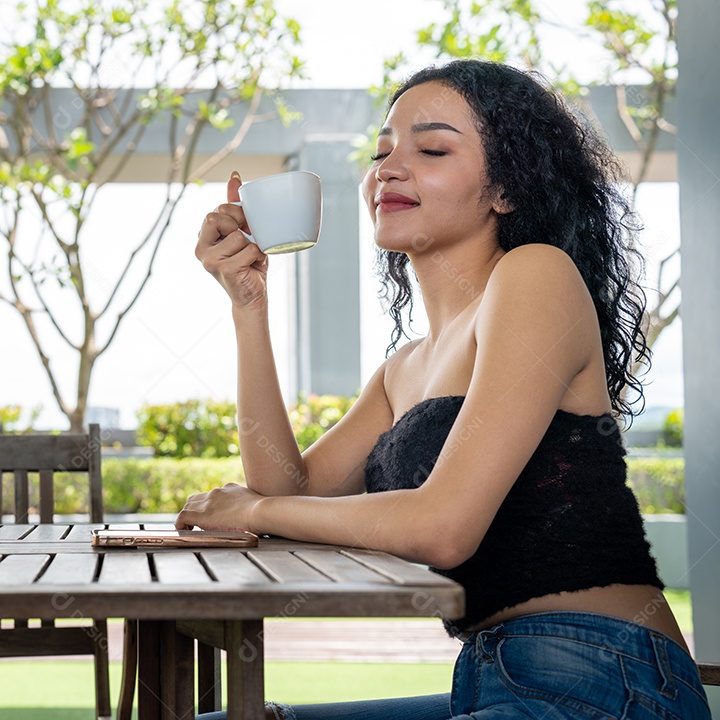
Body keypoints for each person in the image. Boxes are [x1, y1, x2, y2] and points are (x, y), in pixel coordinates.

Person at [182, 59, 711, 720]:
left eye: (430, 149)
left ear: (507, 190)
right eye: (382, 152)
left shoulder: (535, 275)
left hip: (607, 679)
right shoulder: (405, 367)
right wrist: (248, 306)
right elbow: (284, 489)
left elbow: (443, 527)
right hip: (489, 676)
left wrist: (251, 515)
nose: (389, 168)